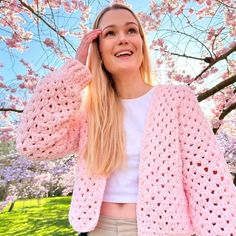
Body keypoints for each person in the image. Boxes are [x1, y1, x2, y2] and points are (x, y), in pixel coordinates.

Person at [16, 3, 236, 236]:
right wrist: (73, 71)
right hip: (95, 229)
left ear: (141, 42)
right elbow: (33, 143)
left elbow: (207, 181)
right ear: (97, 48)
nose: (123, 38)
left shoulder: (177, 100)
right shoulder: (89, 113)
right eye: (110, 33)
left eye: (131, 30)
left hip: (162, 229)